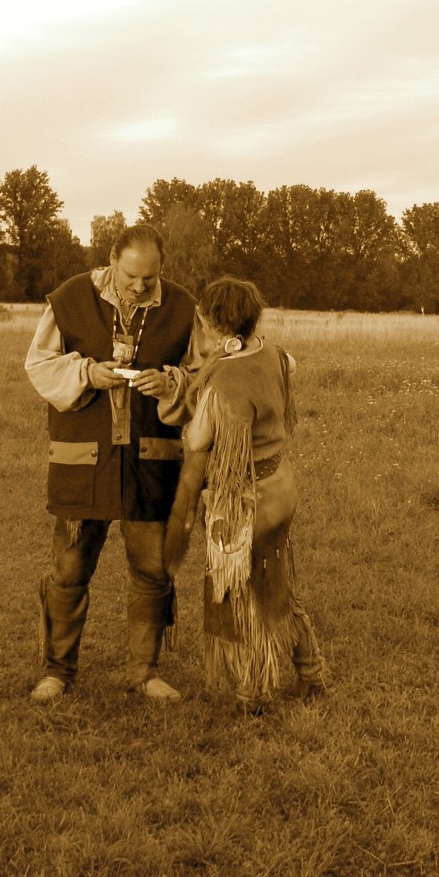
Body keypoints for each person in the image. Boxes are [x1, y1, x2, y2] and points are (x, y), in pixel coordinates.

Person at [24, 224, 198, 702]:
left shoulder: (183, 307)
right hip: (83, 460)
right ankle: (58, 671)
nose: (140, 286)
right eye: (131, 276)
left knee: (153, 570)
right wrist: (86, 372)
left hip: (152, 461)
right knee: (69, 570)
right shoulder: (70, 299)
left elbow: (203, 374)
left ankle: (145, 672)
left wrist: (173, 384)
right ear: (112, 260)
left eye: (150, 278)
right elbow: (39, 364)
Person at [163, 276, 327, 714]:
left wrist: (187, 406)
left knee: (239, 593)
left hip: (242, 501)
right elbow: (290, 366)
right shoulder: (272, 352)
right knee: (276, 585)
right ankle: (310, 671)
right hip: (280, 488)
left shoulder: (224, 381)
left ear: (212, 321)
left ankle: (252, 693)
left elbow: (199, 439)